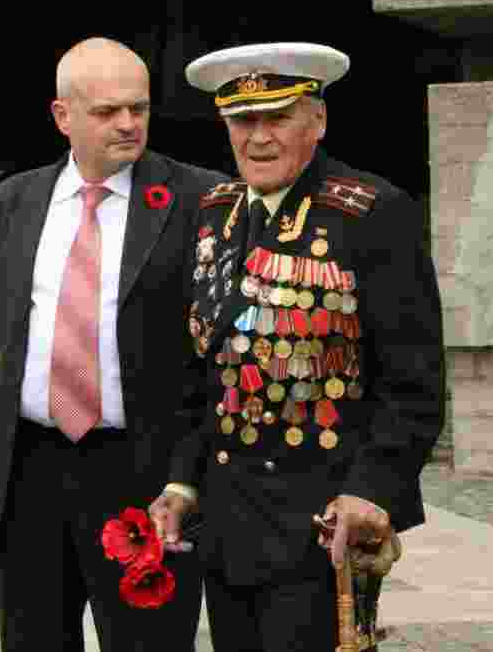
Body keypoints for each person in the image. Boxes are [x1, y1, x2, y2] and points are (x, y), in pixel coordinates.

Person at [149, 42, 445, 651]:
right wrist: (182, 483)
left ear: (318, 120)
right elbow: (200, 373)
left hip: (324, 522)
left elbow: (413, 384)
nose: (258, 138)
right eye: (242, 121)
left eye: (278, 117)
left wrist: (372, 489)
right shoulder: (215, 214)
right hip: (227, 521)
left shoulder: (371, 214)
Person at [0, 37, 228, 651]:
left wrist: (186, 476)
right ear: (62, 116)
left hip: (144, 472)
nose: (127, 124)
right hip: (31, 469)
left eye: (138, 108)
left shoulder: (204, 201)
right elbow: (8, 328)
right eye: (107, 111)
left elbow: (216, 361)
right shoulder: (9, 204)